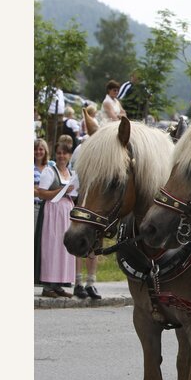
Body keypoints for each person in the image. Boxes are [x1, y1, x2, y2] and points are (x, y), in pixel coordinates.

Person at [35, 142, 77, 297]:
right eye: (59, 153)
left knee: (63, 247)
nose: (61, 156)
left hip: (66, 212)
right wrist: (61, 190)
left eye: (65, 153)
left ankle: (60, 284)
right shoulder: (49, 171)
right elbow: (41, 193)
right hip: (52, 211)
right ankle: (47, 286)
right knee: (51, 247)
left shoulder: (71, 173)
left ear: (69, 156)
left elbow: (73, 194)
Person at [69, 109, 102, 300]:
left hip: (94, 201)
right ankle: (78, 282)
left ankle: (91, 282)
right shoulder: (81, 149)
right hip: (80, 198)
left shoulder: (103, 152)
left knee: (94, 244)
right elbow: (74, 172)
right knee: (79, 241)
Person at [34, 139, 51, 230]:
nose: (38, 152)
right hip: (34, 208)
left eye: (41, 149)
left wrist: (38, 190)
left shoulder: (52, 165)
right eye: (35, 149)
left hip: (48, 207)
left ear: (45, 151)